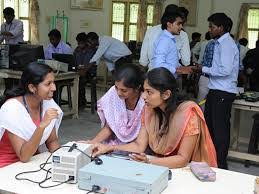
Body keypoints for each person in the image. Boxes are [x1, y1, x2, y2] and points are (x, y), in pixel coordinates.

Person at [91, 68, 217, 169]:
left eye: (149, 92)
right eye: (144, 91)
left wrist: (150, 162)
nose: (144, 96)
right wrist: (109, 148)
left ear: (166, 94)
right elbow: (139, 145)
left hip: (186, 170)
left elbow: (182, 159)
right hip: (158, 164)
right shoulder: (149, 110)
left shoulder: (188, 114)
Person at [192, 13, 239, 169]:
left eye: (212, 26)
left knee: (219, 130)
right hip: (216, 90)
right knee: (211, 127)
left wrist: (203, 68)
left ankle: (220, 164)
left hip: (223, 92)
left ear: (221, 28)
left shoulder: (227, 45)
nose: (210, 29)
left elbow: (225, 70)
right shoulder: (219, 43)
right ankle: (211, 160)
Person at [0, 63, 63, 168]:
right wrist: (42, 126)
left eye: (53, 82)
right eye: (48, 84)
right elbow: (23, 156)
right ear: (32, 87)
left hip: (33, 161)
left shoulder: (48, 103)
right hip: (8, 165)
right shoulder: (11, 108)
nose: (54, 88)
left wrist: (65, 159)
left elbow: (52, 141)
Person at [82, 64, 145, 145]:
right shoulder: (113, 93)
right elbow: (110, 127)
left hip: (139, 146)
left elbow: (140, 145)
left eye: (124, 90)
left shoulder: (145, 101)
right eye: (116, 87)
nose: (118, 93)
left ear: (137, 88)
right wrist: (92, 143)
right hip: (116, 144)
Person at [152, 11, 185, 77]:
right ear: (169, 24)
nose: (181, 27)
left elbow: (170, 60)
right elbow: (158, 64)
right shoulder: (165, 40)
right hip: (165, 80)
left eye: (182, 24)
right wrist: (175, 70)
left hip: (168, 78)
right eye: (179, 24)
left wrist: (180, 67)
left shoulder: (169, 39)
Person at [74, 32, 97, 108]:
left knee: (80, 80)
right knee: (76, 79)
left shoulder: (90, 50)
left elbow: (87, 64)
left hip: (89, 73)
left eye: (81, 43)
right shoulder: (77, 50)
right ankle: (78, 102)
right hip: (79, 71)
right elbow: (73, 61)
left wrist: (82, 69)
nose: (79, 45)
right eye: (78, 43)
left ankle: (81, 102)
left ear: (85, 42)